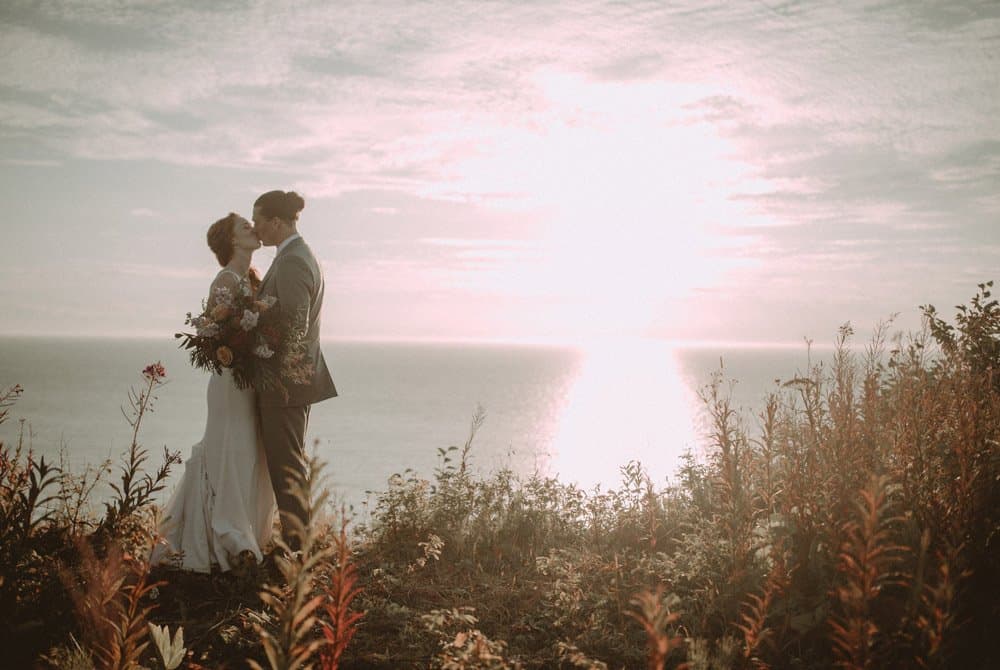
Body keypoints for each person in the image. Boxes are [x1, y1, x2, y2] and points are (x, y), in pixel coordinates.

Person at [151, 213, 277, 572]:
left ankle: (244, 532)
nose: (254, 228)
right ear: (233, 241)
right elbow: (213, 338)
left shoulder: (252, 279)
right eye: (246, 228)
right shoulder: (225, 279)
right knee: (230, 452)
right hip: (229, 384)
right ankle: (224, 535)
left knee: (248, 454)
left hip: (248, 383)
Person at [252, 190, 337, 550]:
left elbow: (293, 326)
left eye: (258, 219)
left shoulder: (293, 261)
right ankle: (297, 544)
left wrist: (257, 350)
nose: (255, 227)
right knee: (287, 461)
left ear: (276, 222)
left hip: (286, 382)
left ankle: (298, 549)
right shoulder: (293, 256)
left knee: (287, 465)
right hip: (289, 380)